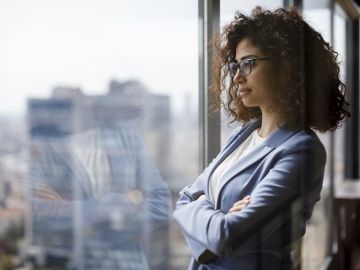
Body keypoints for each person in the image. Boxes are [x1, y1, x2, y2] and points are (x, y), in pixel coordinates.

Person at [173, 6, 350, 270]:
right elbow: (183, 200)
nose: (236, 77)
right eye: (235, 65)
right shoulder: (242, 135)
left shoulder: (303, 150)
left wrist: (205, 214)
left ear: (287, 65)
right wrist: (214, 219)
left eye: (248, 63)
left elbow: (226, 234)